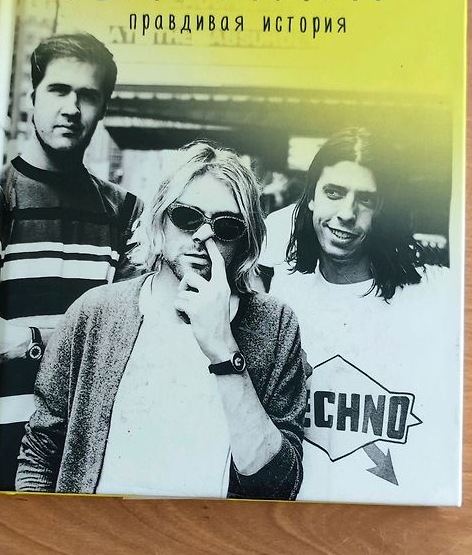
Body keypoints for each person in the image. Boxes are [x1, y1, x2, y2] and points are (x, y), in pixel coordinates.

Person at [16, 142, 306, 500]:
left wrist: (222, 348)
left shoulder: (275, 325)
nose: (203, 235)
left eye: (226, 226)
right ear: (160, 219)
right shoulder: (95, 313)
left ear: (245, 240)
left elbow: (278, 487)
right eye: (187, 217)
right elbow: (42, 449)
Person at [0, 33, 143, 491]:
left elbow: (129, 340)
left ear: (103, 109)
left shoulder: (125, 213)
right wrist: (78, 337)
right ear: (33, 97)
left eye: (88, 96)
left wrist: (24, 339)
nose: (71, 108)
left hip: (83, 463)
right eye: (58, 90)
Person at [263, 127, 460, 505]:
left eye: (365, 199)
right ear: (310, 198)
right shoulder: (282, 292)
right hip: (297, 514)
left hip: (392, 514)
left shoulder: (435, 294)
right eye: (333, 193)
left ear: (382, 208)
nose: (346, 214)